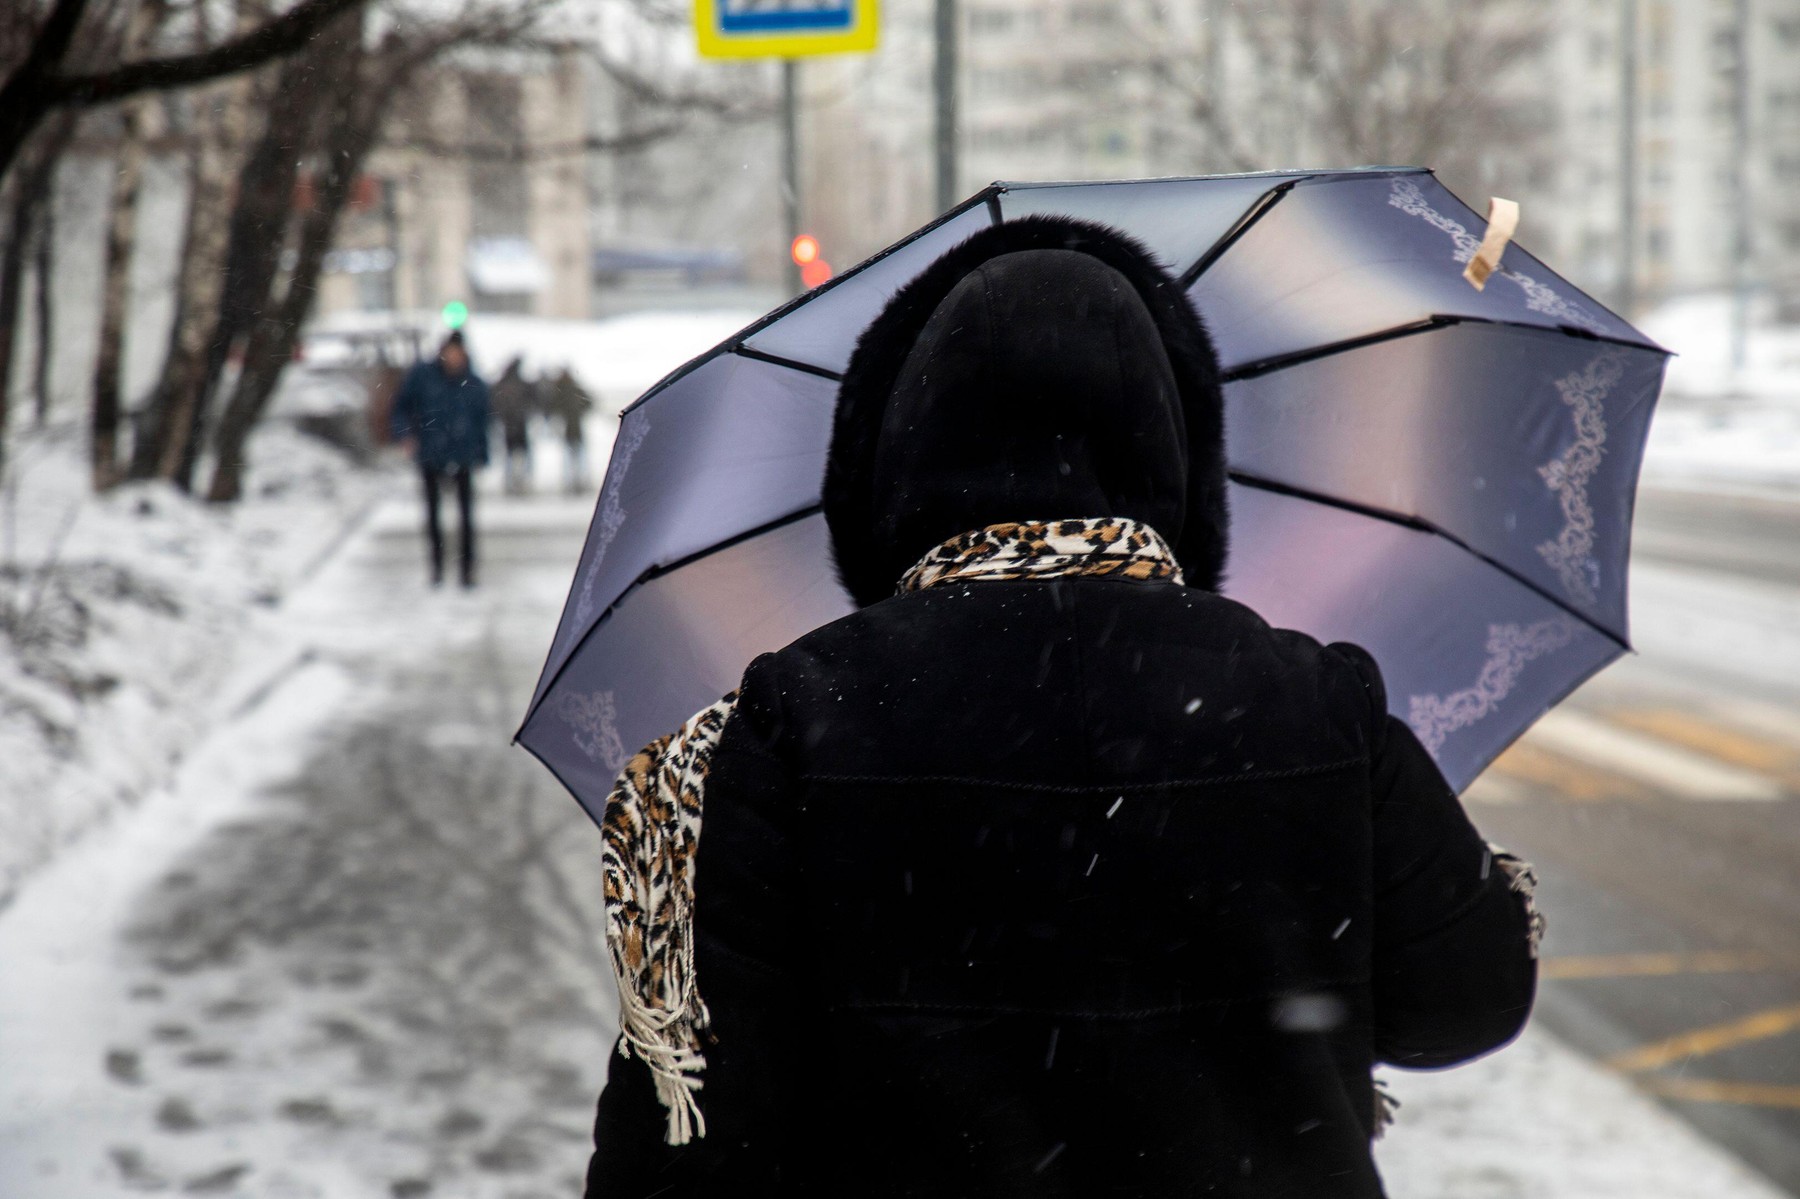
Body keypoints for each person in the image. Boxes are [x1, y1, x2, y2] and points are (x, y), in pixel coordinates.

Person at [582, 219, 1541, 1197]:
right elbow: (1467, 996)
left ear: (895, 462)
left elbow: (689, 1140)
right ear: (1175, 463)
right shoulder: (1317, 703)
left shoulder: (793, 722)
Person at [389, 330, 490, 588]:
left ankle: (467, 570)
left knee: (466, 516)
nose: (454, 358)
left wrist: (482, 453)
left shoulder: (474, 382)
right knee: (433, 515)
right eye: (450, 352)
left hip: (462, 455)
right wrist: (405, 436)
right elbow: (401, 407)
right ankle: (436, 567)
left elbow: (483, 420)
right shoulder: (423, 377)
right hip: (431, 454)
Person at [491, 356, 536, 495]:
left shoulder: (504, 382)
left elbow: (496, 400)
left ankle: (511, 482)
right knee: (520, 455)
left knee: (511, 455)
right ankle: (520, 481)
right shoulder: (519, 383)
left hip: (511, 424)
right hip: (517, 424)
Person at [547, 367, 594, 494]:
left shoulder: (560, 391)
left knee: (569, 456)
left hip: (568, 427)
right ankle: (579, 481)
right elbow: (590, 402)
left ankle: (571, 482)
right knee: (579, 456)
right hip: (575, 427)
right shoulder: (575, 389)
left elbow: (551, 407)